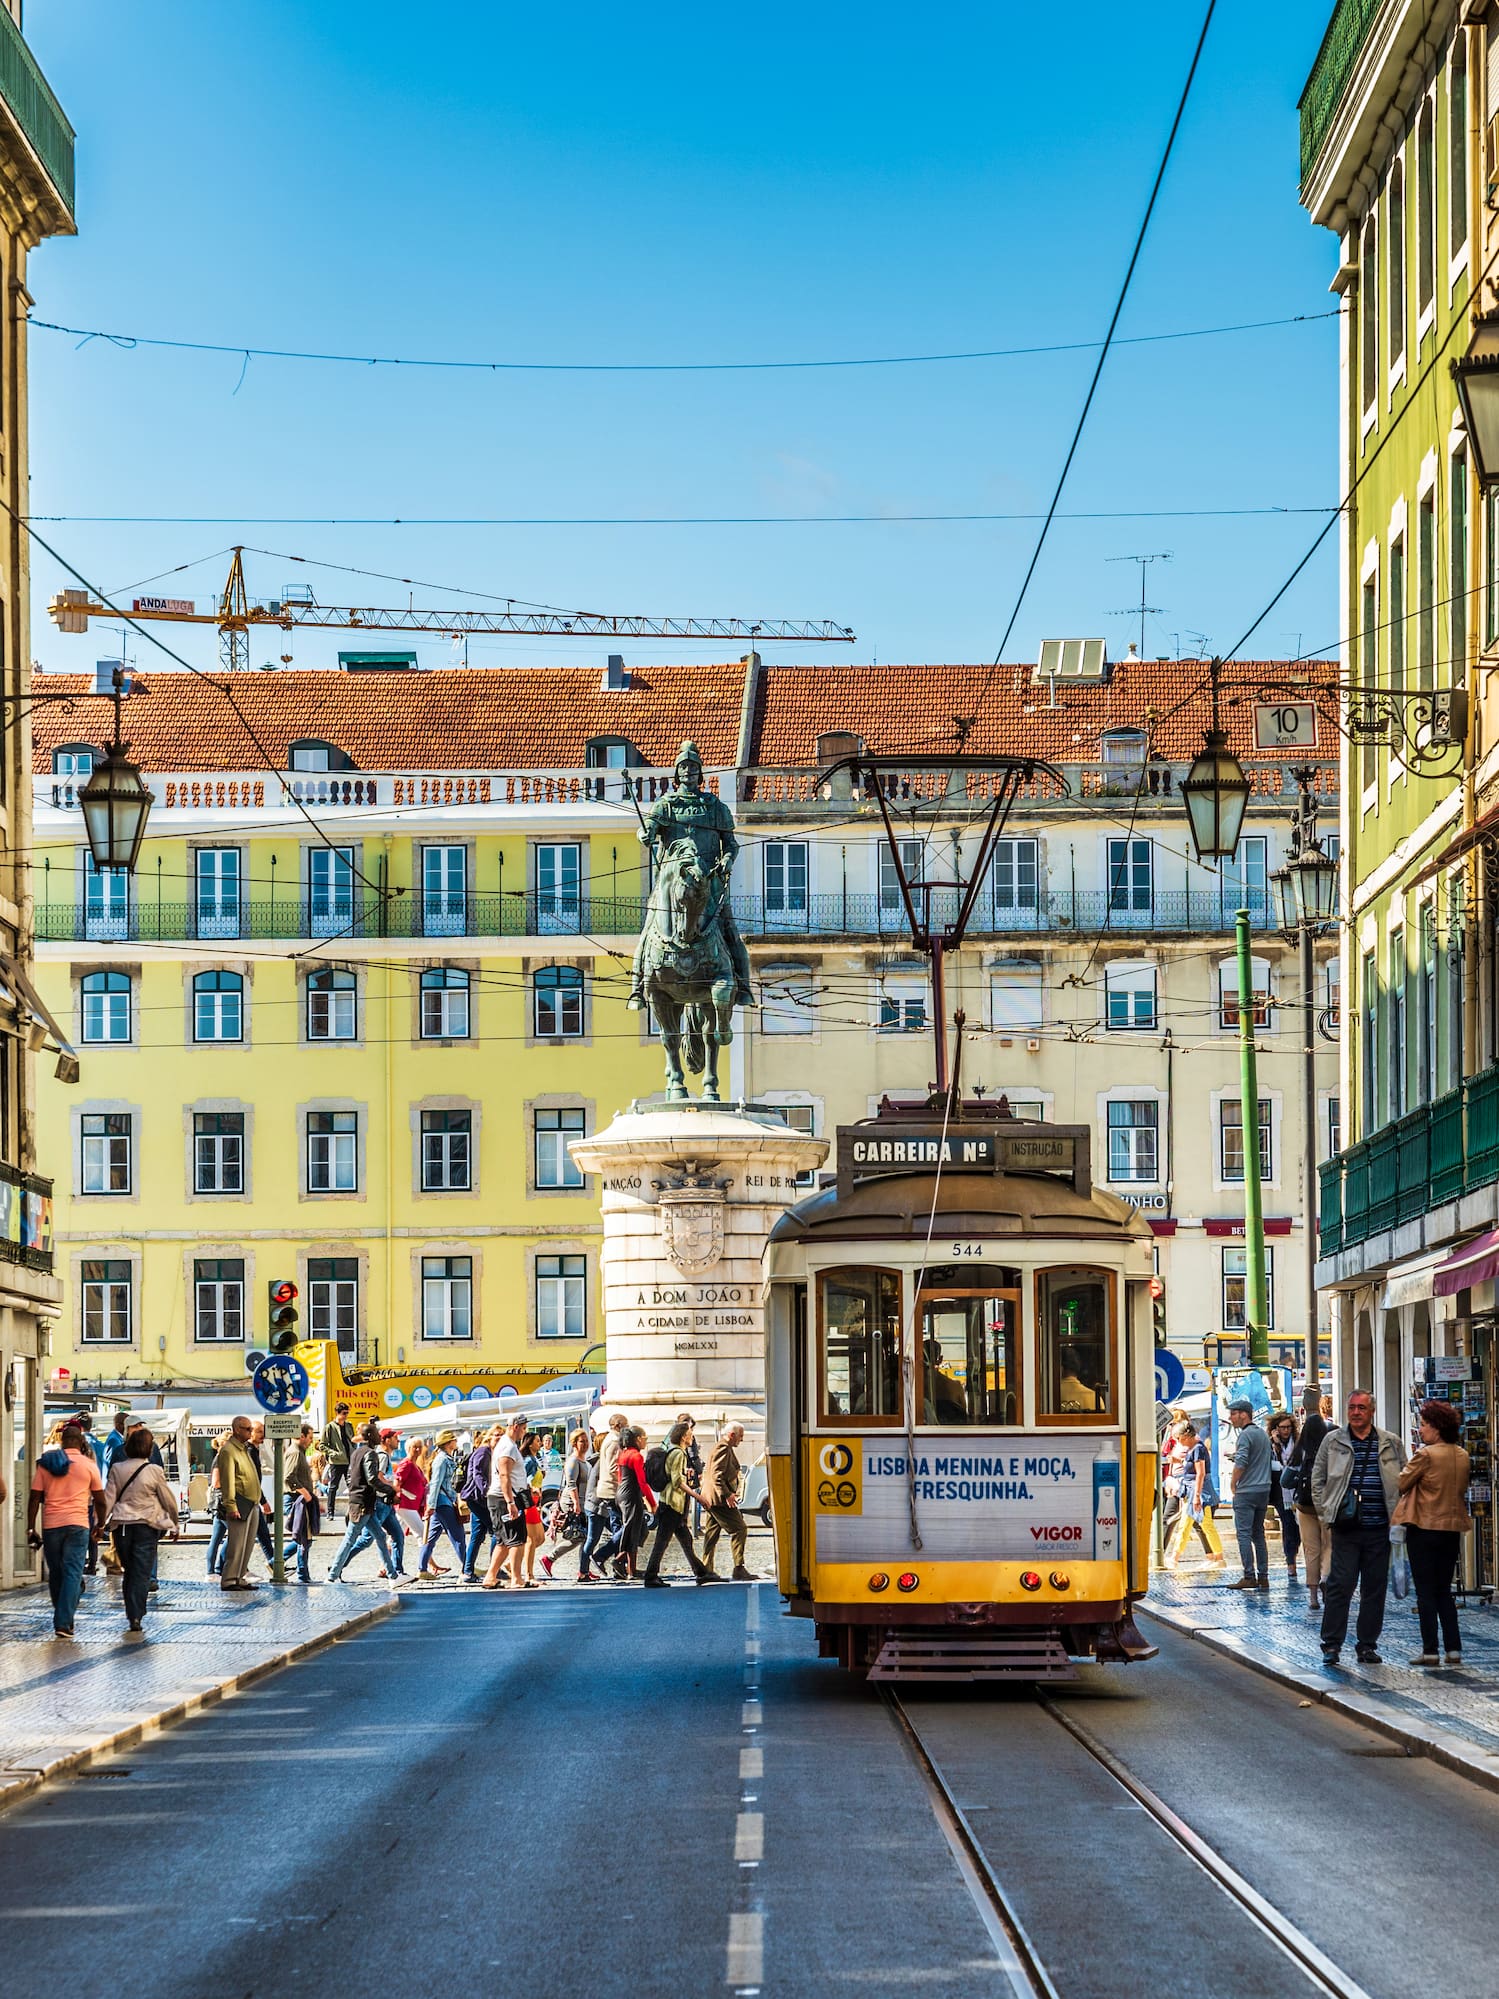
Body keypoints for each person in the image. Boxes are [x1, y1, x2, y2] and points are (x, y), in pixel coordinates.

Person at [1311, 1389, 1407, 1666]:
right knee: (1340, 1585)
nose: (1355, 1412)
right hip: (1346, 1528)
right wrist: (1325, 1511)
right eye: (1352, 1407)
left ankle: (1366, 1645)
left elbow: (1405, 1479)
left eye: (1361, 1408)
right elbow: (1317, 1480)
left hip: (1380, 1529)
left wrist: (1398, 1515)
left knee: (1374, 1589)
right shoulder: (1333, 1441)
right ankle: (1331, 1645)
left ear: (1371, 1411)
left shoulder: (1391, 1443)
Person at [1393, 1398, 1472, 1666]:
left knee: (1425, 1591)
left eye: (1424, 1425)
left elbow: (1402, 1482)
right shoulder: (1462, 1455)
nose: (1421, 1430)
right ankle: (1454, 1648)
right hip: (1451, 1528)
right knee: (1443, 1589)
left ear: (1437, 1428)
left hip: (1424, 1528)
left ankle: (1430, 1650)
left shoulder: (1425, 1455)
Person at [26, 1422, 106, 1636]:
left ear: (62, 1443)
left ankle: (63, 1616)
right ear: (81, 1444)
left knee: (57, 1573)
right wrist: (101, 1525)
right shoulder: (88, 1465)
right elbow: (100, 1499)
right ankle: (63, 1621)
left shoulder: (47, 1464)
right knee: (72, 1572)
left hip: (52, 1525)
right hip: (78, 1525)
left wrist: (30, 1528)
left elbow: (35, 1497)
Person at [105, 1427, 180, 1632]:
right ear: (149, 1449)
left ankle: (133, 1612)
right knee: (141, 1572)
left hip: (121, 1528)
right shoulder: (154, 1471)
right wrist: (175, 1523)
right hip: (146, 1526)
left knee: (130, 1570)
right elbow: (167, 1499)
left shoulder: (117, 1469)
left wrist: (98, 1523)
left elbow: (108, 1498)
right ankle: (136, 1614)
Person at [643, 1420, 717, 1587]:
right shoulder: (678, 1454)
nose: (692, 1437)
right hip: (672, 1504)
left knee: (686, 1540)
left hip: (672, 1504)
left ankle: (702, 1573)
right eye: (690, 1434)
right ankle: (650, 1576)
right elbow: (677, 1481)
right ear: (684, 1436)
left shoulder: (675, 1451)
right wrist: (699, 1497)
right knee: (662, 1541)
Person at [329, 1421, 399, 1583]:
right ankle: (332, 1575)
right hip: (362, 1505)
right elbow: (372, 1479)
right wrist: (391, 1490)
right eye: (375, 1433)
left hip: (363, 1503)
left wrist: (355, 1491)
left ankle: (393, 1576)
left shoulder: (356, 1453)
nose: (378, 1436)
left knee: (380, 1536)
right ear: (369, 1436)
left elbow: (350, 1476)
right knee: (350, 1539)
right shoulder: (370, 1454)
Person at [1290, 1394, 1333, 1611]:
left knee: (1311, 1549)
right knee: (1329, 1545)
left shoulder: (1300, 1450)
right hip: (1326, 1505)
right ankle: (1326, 1577)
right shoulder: (1331, 1449)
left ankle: (1313, 1596)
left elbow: (1285, 1480)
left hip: (1305, 1507)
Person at [1162, 1421, 1225, 1569]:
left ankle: (1219, 1558)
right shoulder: (1193, 1448)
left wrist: (1197, 1496)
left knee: (1206, 1524)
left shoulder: (1197, 1449)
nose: (1178, 1442)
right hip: (1192, 1491)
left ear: (1185, 1436)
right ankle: (1174, 1558)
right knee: (1185, 1524)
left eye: (1179, 1438)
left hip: (1199, 1492)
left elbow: (1200, 1473)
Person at [1226, 1397, 1272, 1592]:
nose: (1230, 1417)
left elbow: (1242, 1462)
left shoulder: (1245, 1435)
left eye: (1234, 1413)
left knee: (1244, 1534)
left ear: (1244, 1414)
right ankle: (1263, 1576)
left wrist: (1233, 1482)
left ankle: (1248, 1576)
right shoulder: (1261, 1433)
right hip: (1263, 1489)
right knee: (1258, 1535)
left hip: (1247, 1490)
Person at [216, 1416, 265, 1592]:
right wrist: (231, 1505)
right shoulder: (229, 1451)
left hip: (252, 1502)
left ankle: (239, 1576)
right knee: (236, 1545)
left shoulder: (243, 1449)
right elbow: (228, 1480)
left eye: (251, 1429)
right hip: (240, 1503)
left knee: (248, 1543)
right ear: (237, 1429)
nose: (250, 1432)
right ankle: (229, 1579)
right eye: (247, 1429)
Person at [482, 1415, 531, 1590]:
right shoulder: (508, 1447)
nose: (524, 1432)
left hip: (502, 1497)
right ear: (516, 1426)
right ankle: (516, 1579)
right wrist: (511, 1502)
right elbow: (504, 1475)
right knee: (516, 1539)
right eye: (524, 1428)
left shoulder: (507, 1445)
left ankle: (490, 1576)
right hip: (505, 1498)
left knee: (503, 1540)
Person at [701, 1422, 754, 1581]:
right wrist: (727, 1495)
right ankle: (738, 1568)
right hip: (719, 1500)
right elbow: (717, 1476)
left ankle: (705, 1570)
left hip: (713, 1498)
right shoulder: (723, 1448)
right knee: (740, 1529)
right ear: (732, 1435)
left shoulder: (724, 1447)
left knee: (711, 1535)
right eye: (740, 1436)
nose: (742, 1440)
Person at [584, 1412, 629, 1575]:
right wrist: (627, 1476)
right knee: (629, 1525)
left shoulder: (611, 1439)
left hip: (610, 1490)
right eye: (626, 1424)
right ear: (618, 1426)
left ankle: (618, 1563)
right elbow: (613, 1467)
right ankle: (601, 1556)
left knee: (619, 1526)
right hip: (612, 1490)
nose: (628, 1428)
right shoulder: (614, 1441)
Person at [418, 1430, 467, 1578]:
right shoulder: (442, 1460)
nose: (456, 1441)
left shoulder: (446, 1458)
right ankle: (467, 1567)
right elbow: (435, 1483)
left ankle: (422, 1569)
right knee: (458, 1536)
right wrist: (431, 1505)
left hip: (442, 1503)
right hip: (443, 1503)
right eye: (453, 1439)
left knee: (430, 1538)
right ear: (448, 1443)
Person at [615, 1427, 657, 1580]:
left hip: (623, 1493)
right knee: (633, 1530)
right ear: (638, 1438)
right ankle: (624, 1564)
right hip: (631, 1494)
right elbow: (642, 1482)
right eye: (645, 1437)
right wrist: (652, 1502)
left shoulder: (624, 1454)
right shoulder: (636, 1456)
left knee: (639, 1530)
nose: (646, 1441)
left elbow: (620, 1477)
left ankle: (627, 1565)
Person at [282, 1423, 320, 1582]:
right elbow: (289, 1477)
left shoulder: (299, 1452)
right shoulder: (295, 1453)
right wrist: (306, 1493)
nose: (311, 1441)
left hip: (301, 1499)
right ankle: (301, 1574)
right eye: (310, 1437)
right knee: (304, 1538)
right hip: (296, 1499)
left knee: (305, 1537)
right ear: (301, 1436)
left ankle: (300, 1572)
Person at [1267, 1411, 1302, 1584]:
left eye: (1288, 1427)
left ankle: (1293, 1553)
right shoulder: (1271, 1444)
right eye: (1282, 1428)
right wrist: (1275, 1444)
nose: (1285, 1431)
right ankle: (1291, 1562)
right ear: (1275, 1429)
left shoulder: (1298, 1443)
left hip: (1296, 1489)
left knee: (1297, 1527)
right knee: (1288, 1524)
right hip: (1280, 1492)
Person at [460, 1425, 498, 1582]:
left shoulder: (488, 1452)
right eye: (497, 1435)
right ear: (489, 1437)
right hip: (478, 1498)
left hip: (476, 1498)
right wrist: (487, 1492)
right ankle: (494, 1569)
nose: (500, 1438)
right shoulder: (484, 1451)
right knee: (497, 1531)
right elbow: (478, 1474)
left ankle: (468, 1571)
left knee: (477, 1534)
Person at [321, 1403, 356, 1519]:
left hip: (349, 1461)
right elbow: (322, 1445)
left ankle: (354, 1510)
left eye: (347, 1413)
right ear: (338, 1413)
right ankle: (330, 1512)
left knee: (352, 1486)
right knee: (333, 1487)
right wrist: (334, 1453)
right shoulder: (329, 1427)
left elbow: (352, 1440)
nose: (346, 1416)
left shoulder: (349, 1426)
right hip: (336, 1462)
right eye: (344, 1413)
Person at [205, 1429, 231, 1577]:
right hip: (222, 1502)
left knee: (216, 1538)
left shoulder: (221, 1457)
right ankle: (217, 1568)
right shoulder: (221, 1458)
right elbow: (216, 1482)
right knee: (234, 1536)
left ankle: (212, 1571)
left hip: (219, 1502)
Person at [393, 1437, 428, 1546]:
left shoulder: (415, 1465)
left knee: (396, 1536)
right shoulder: (406, 1464)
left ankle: (385, 1561)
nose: (418, 1450)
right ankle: (427, 1562)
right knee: (422, 1534)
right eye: (415, 1447)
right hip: (406, 1504)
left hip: (410, 1505)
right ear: (408, 1448)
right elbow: (397, 1482)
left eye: (420, 1447)